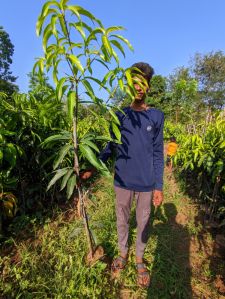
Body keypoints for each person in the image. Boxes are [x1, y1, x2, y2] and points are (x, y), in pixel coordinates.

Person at [80, 62, 164, 288]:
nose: (139, 87)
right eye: (135, 82)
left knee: (144, 221)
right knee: (122, 219)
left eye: (143, 83)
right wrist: (93, 166)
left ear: (148, 87)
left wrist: (159, 186)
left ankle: (139, 257)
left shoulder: (156, 116)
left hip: (146, 182)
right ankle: (123, 252)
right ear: (129, 84)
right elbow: (109, 146)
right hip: (123, 181)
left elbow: (158, 152)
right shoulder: (119, 115)